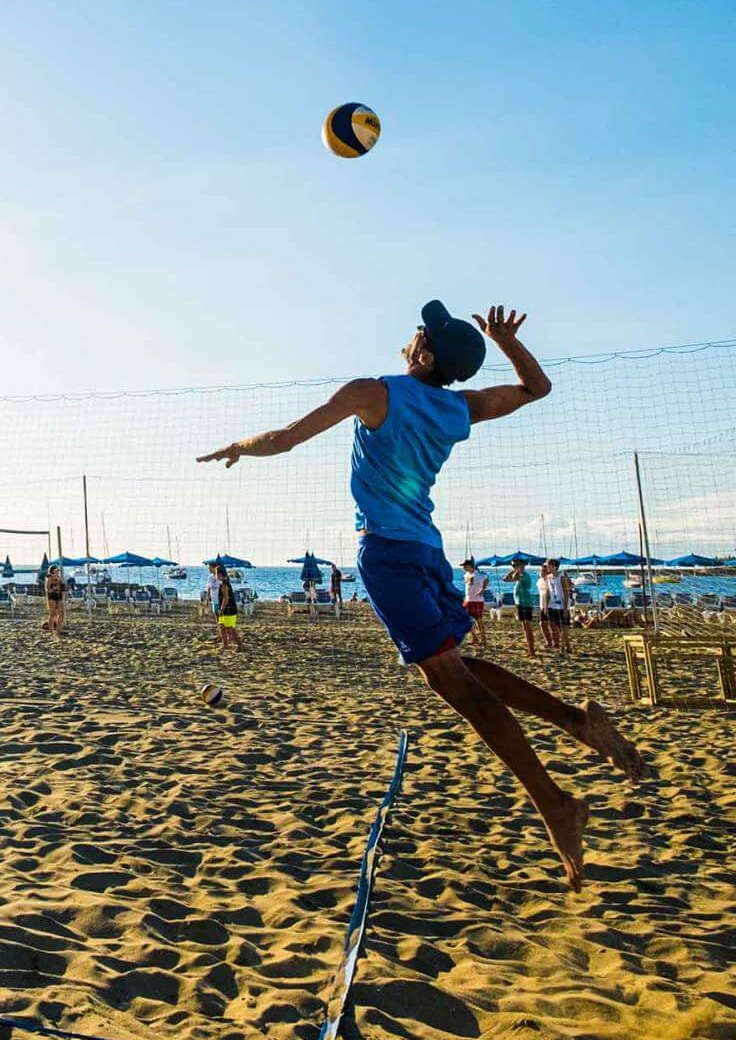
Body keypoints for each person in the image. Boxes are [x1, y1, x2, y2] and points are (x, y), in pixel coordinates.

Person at [199, 302, 641, 891]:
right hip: (429, 552)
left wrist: (237, 446)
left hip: (387, 554)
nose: (409, 337)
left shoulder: (373, 393)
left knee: (453, 686)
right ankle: (575, 720)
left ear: (424, 354)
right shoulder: (460, 406)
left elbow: (284, 439)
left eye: (418, 335)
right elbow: (537, 388)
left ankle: (555, 804)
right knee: (456, 668)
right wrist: (507, 341)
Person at [541, 559, 574, 653]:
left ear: (554, 566)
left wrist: (565, 608)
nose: (546, 567)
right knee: (558, 628)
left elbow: (566, 593)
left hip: (562, 605)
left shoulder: (562, 577)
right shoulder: (548, 577)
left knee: (563, 627)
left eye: (548, 566)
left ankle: (563, 648)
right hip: (553, 605)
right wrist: (546, 606)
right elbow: (547, 592)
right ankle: (568, 646)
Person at [506, 559, 538, 657]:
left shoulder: (524, 575)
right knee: (524, 627)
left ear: (522, 566)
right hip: (519, 603)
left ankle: (532, 650)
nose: (514, 567)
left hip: (526, 603)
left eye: (516, 565)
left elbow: (513, 578)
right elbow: (505, 579)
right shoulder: (520, 574)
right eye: (513, 565)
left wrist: (517, 569)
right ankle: (529, 648)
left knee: (528, 627)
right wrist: (513, 569)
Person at [212, 561, 242, 652]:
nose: (216, 576)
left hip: (229, 609)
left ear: (220, 574)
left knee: (230, 628)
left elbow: (226, 598)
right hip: (227, 608)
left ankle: (239, 645)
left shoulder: (224, 584)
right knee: (221, 626)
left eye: (217, 574)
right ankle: (225, 645)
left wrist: (221, 609)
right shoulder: (223, 583)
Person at [462, 558, 489, 648]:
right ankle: (475, 638)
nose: (464, 568)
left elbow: (486, 579)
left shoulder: (478, 574)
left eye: (465, 566)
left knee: (479, 620)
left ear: (470, 566)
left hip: (477, 600)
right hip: (468, 600)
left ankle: (483, 639)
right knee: (465, 619)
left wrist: (482, 589)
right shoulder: (466, 574)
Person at [43, 565, 66, 635]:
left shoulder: (59, 578)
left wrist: (62, 584)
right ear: (52, 571)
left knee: (61, 613)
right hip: (52, 596)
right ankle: (51, 630)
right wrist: (55, 588)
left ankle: (58, 630)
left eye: (58, 570)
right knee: (53, 614)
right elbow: (47, 589)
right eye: (57, 570)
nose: (58, 571)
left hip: (59, 596)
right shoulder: (49, 578)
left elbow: (63, 587)